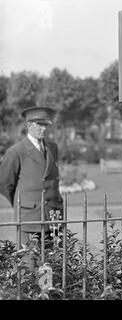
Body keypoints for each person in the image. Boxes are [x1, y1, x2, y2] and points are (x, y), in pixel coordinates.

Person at [0, 106, 63, 268]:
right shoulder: (16, 151)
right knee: (29, 264)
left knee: (50, 263)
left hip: (52, 216)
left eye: (46, 125)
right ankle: (28, 294)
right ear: (29, 125)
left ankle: (48, 293)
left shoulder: (52, 147)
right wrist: (24, 203)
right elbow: (5, 183)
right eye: (39, 125)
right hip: (30, 217)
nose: (44, 129)